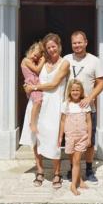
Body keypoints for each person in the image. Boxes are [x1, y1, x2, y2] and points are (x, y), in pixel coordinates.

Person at [19, 33, 70, 189]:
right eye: (48, 47)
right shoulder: (43, 62)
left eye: (54, 46)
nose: (51, 49)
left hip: (54, 105)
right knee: (36, 139)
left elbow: (54, 84)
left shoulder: (65, 63)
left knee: (54, 139)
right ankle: (40, 170)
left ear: (59, 46)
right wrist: (27, 85)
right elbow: (31, 75)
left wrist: (33, 87)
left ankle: (56, 173)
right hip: (37, 104)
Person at [63, 30, 103, 184]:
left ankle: (88, 168)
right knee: (71, 140)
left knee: (89, 141)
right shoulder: (66, 59)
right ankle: (72, 168)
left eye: (80, 42)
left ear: (86, 42)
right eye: (74, 43)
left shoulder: (94, 61)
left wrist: (90, 97)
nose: (77, 45)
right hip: (70, 109)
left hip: (88, 109)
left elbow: (101, 83)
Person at [58, 79, 92, 196]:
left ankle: (73, 185)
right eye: (73, 90)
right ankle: (80, 180)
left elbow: (89, 121)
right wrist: (60, 136)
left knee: (77, 160)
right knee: (73, 160)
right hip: (70, 137)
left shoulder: (84, 104)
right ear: (69, 91)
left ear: (81, 91)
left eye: (77, 90)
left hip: (82, 137)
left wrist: (89, 137)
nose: (75, 92)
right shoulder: (65, 105)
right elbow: (62, 121)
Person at [20, 41, 45, 134]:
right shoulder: (25, 60)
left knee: (39, 101)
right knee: (37, 102)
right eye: (34, 55)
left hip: (35, 84)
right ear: (30, 50)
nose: (35, 58)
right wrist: (43, 60)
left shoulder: (33, 62)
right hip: (31, 84)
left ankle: (35, 121)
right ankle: (32, 123)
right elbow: (37, 70)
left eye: (37, 57)